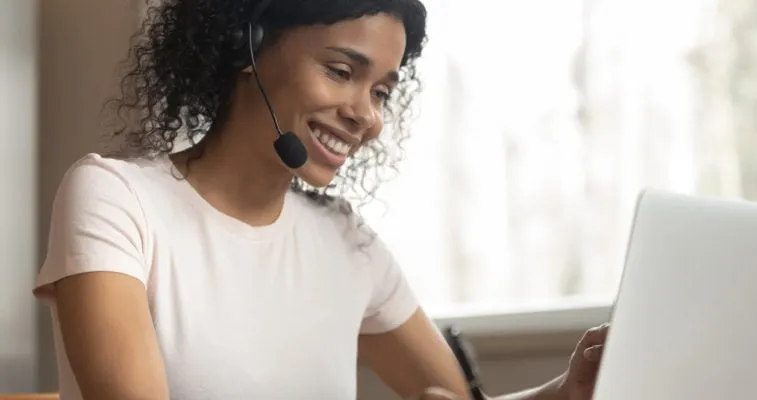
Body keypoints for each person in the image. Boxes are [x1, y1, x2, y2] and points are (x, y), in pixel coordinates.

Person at [33, 0, 609, 399]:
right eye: (341, 71)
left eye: (381, 90)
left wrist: (566, 390)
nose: (367, 115)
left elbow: (452, 397)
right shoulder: (116, 198)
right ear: (247, 48)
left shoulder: (344, 240)